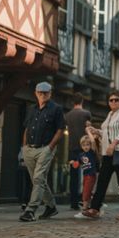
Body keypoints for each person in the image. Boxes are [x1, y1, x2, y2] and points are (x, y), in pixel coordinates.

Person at [81, 90, 119, 221]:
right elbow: (106, 133)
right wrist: (97, 131)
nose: (114, 102)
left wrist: (114, 144)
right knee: (102, 180)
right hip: (108, 152)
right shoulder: (110, 114)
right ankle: (95, 208)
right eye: (111, 100)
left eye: (117, 99)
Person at [19, 81, 65, 222]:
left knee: (38, 178)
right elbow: (27, 128)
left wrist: (50, 147)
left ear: (50, 93)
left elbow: (60, 129)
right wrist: (25, 146)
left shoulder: (56, 109)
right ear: (36, 93)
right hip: (29, 149)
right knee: (38, 180)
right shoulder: (32, 109)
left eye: (45, 93)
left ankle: (30, 210)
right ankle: (51, 206)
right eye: (40, 93)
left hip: (45, 148)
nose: (43, 95)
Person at [65, 93, 91, 210]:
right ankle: (85, 199)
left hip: (72, 149)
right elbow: (88, 128)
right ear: (82, 101)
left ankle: (73, 202)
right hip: (84, 148)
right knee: (87, 174)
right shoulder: (86, 114)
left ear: (72, 102)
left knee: (73, 176)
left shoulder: (68, 115)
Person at [69, 135, 98, 211]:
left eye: (87, 145)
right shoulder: (80, 155)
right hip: (85, 175)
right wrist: (73, 163)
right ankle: (89, 206)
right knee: (86, 190)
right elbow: (76, 165)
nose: (86, 147)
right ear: (81, 146)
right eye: (83, 145)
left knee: (86, 191)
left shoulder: (91, 153)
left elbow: (93, 142)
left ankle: (85, 208)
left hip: (91, 175)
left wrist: (89, 133)